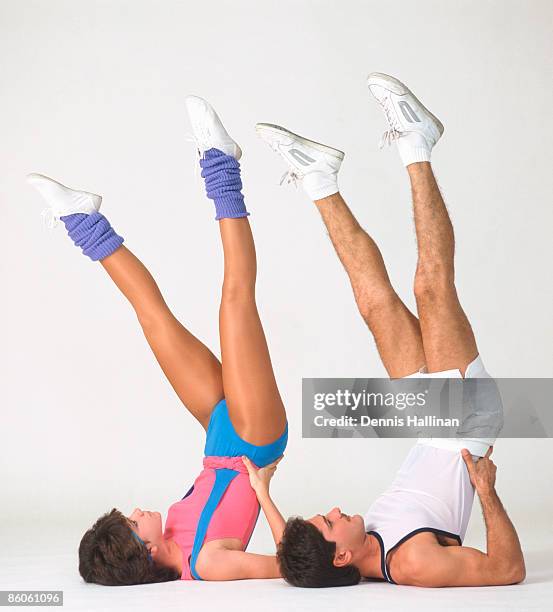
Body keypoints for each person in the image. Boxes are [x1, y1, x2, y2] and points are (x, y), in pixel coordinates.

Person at [252, 72, 524, 587]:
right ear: (340, 558)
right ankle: (418, 141)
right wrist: (486, 494)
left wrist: (264, 493)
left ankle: (318, 179)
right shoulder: (410, 563)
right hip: (466, 423)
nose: (335, 511)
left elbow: (289, 557)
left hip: (430, 421)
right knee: (431, 286)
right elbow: (507, 571)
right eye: (330, 522)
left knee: (372, 302)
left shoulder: (342, 550)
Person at [27, 97, 288, 585]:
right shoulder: (206, 565)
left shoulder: (170, 531)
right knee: (235, 301)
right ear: (143, 549)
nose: (137, 510)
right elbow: (292, 565)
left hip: (219, 437)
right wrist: (266, 490)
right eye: (131, 521)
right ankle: (221, 163)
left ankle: (83, 221)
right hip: (257, 440)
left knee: (152, 320)